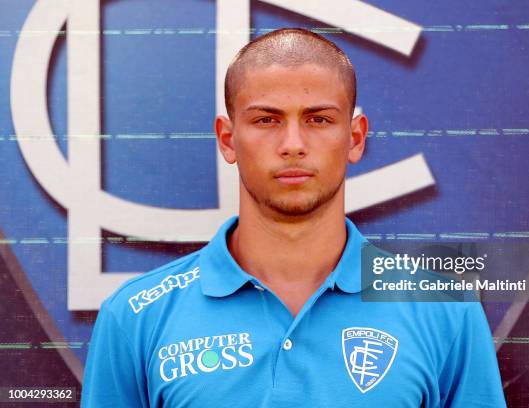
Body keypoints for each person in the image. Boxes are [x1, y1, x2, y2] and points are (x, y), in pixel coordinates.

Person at [81, 28, 506, 407]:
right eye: (266, 119)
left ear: (355, 138)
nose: (293, 144)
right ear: (228, 140)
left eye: (318, 119)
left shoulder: (444, 310)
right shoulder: (136, 316)